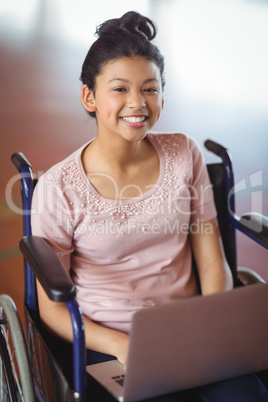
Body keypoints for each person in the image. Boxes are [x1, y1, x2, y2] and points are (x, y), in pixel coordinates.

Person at [31, 11, 267, 402]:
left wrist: (212, 321)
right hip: (108, 340)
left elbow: (211, 257)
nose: (138, 103)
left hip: (190, 328)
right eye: (120, 89)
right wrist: (124, 346)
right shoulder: (59, 187)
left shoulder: (183, 153)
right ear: (89, 97)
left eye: (150, 89)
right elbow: (53, 311)